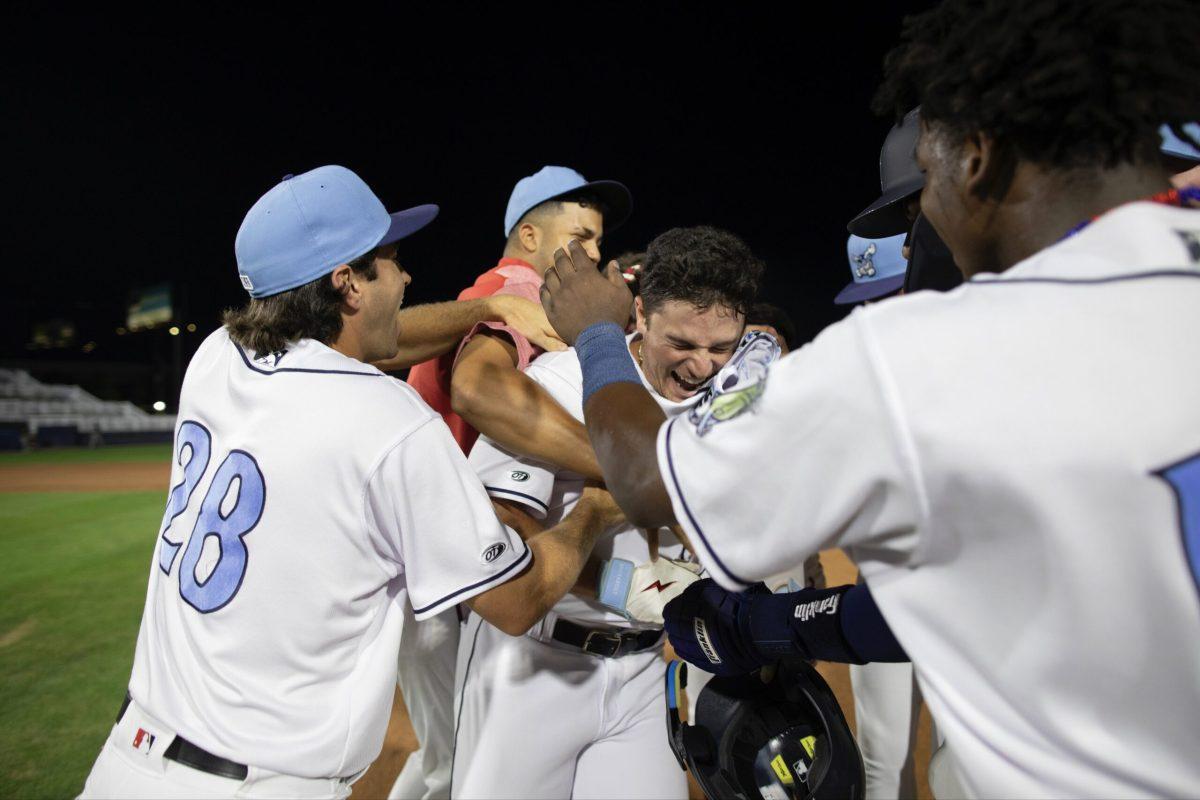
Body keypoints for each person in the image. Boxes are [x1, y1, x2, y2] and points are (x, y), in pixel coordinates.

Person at [538, 0, 1200, 794]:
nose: (921, 229)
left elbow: (651, 483)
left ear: (978, 157)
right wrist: (775, 628)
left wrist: (597, 336)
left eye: (922, 190)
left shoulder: (921, 354)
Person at [77, 165, 625, 800]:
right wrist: (594, 510)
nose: (406, 275)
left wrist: (487, 307)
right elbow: (519, 599)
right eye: (389, 260)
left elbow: (367, 346)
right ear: (347, 283)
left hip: (128, 759)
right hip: (262, 783)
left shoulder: (216, 356)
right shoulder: (390, 424)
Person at [451, 226, 762, 799]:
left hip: (645, 672)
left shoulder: (736, 402)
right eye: (683, 345)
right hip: (534, 664)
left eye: (720, 347)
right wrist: (625, 585)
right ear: (639, 314)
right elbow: (501, 547)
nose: (702, 366)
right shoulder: (560, 380)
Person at [390, 166, 630, 800]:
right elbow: (479, 389)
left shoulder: (491, 289)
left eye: (599, 240)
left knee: (442, 754)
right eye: (582, 235)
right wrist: (623, 468)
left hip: (438, 565)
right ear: (530, 235)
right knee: (458, 766)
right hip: (449, 570)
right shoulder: (518, 286)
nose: (595, 254)